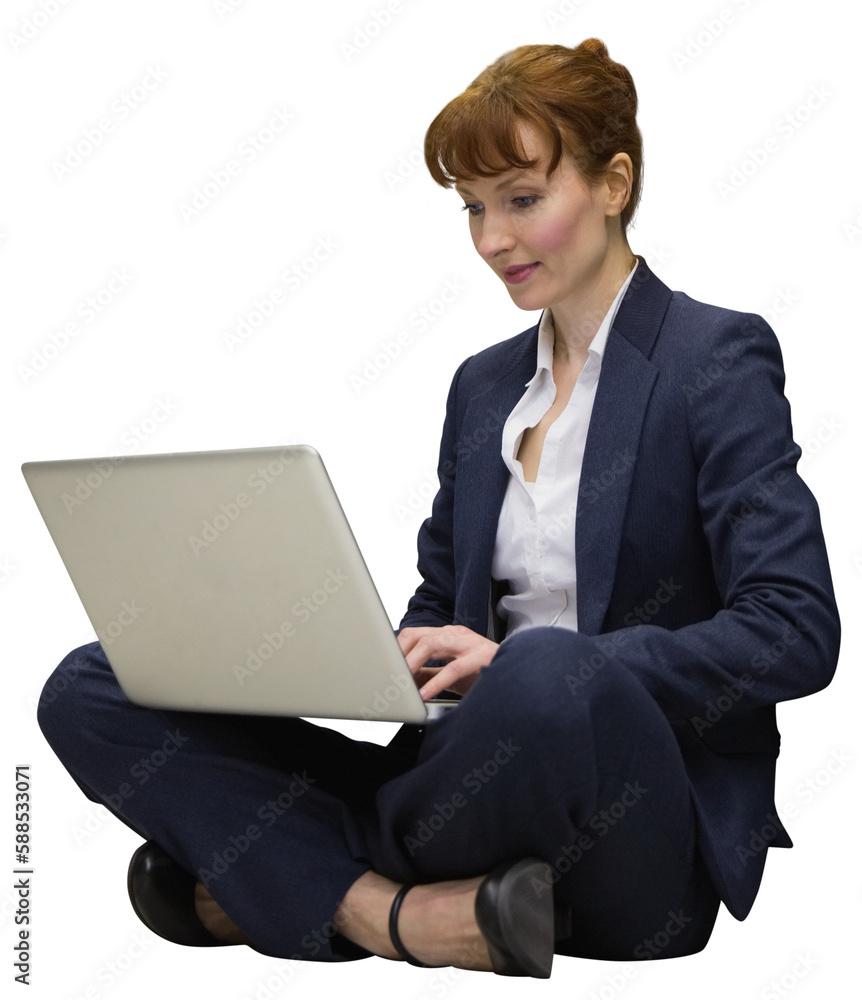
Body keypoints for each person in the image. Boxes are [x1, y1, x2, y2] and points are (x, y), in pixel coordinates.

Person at [37, 38, 840, 979]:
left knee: (546, 672)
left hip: (632, 829)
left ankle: (278, 875)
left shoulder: (716, 358)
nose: (492, 239)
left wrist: (527, 664)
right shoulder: (484, 387)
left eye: (522, 201)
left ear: (614, 184)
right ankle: (397, 913)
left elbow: (795, 631)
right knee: (90, 683)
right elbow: (442, 607)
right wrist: (379, 658)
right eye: (473, 207)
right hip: (468, 784)